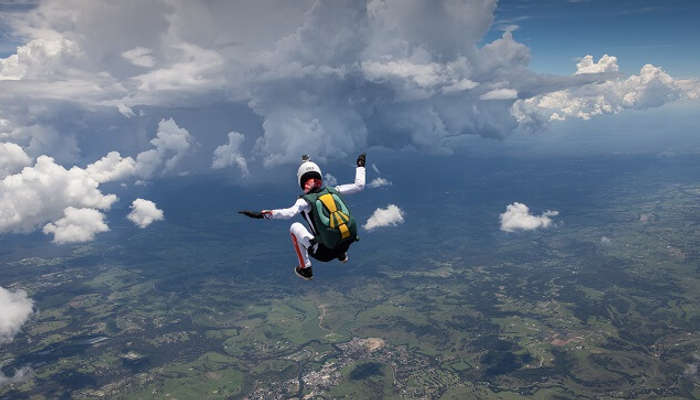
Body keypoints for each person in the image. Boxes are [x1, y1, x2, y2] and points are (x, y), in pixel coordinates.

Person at [239, 153, 366, 280]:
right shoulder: (334, 190)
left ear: (301, 181)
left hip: (324, 254)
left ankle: (305, 268)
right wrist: (360, 165)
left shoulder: (304, 201)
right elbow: (359, 186)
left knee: (295, 227)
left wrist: (262, 215)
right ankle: (342, 256)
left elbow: (289, 213)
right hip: (345, 243)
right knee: (334, 223)